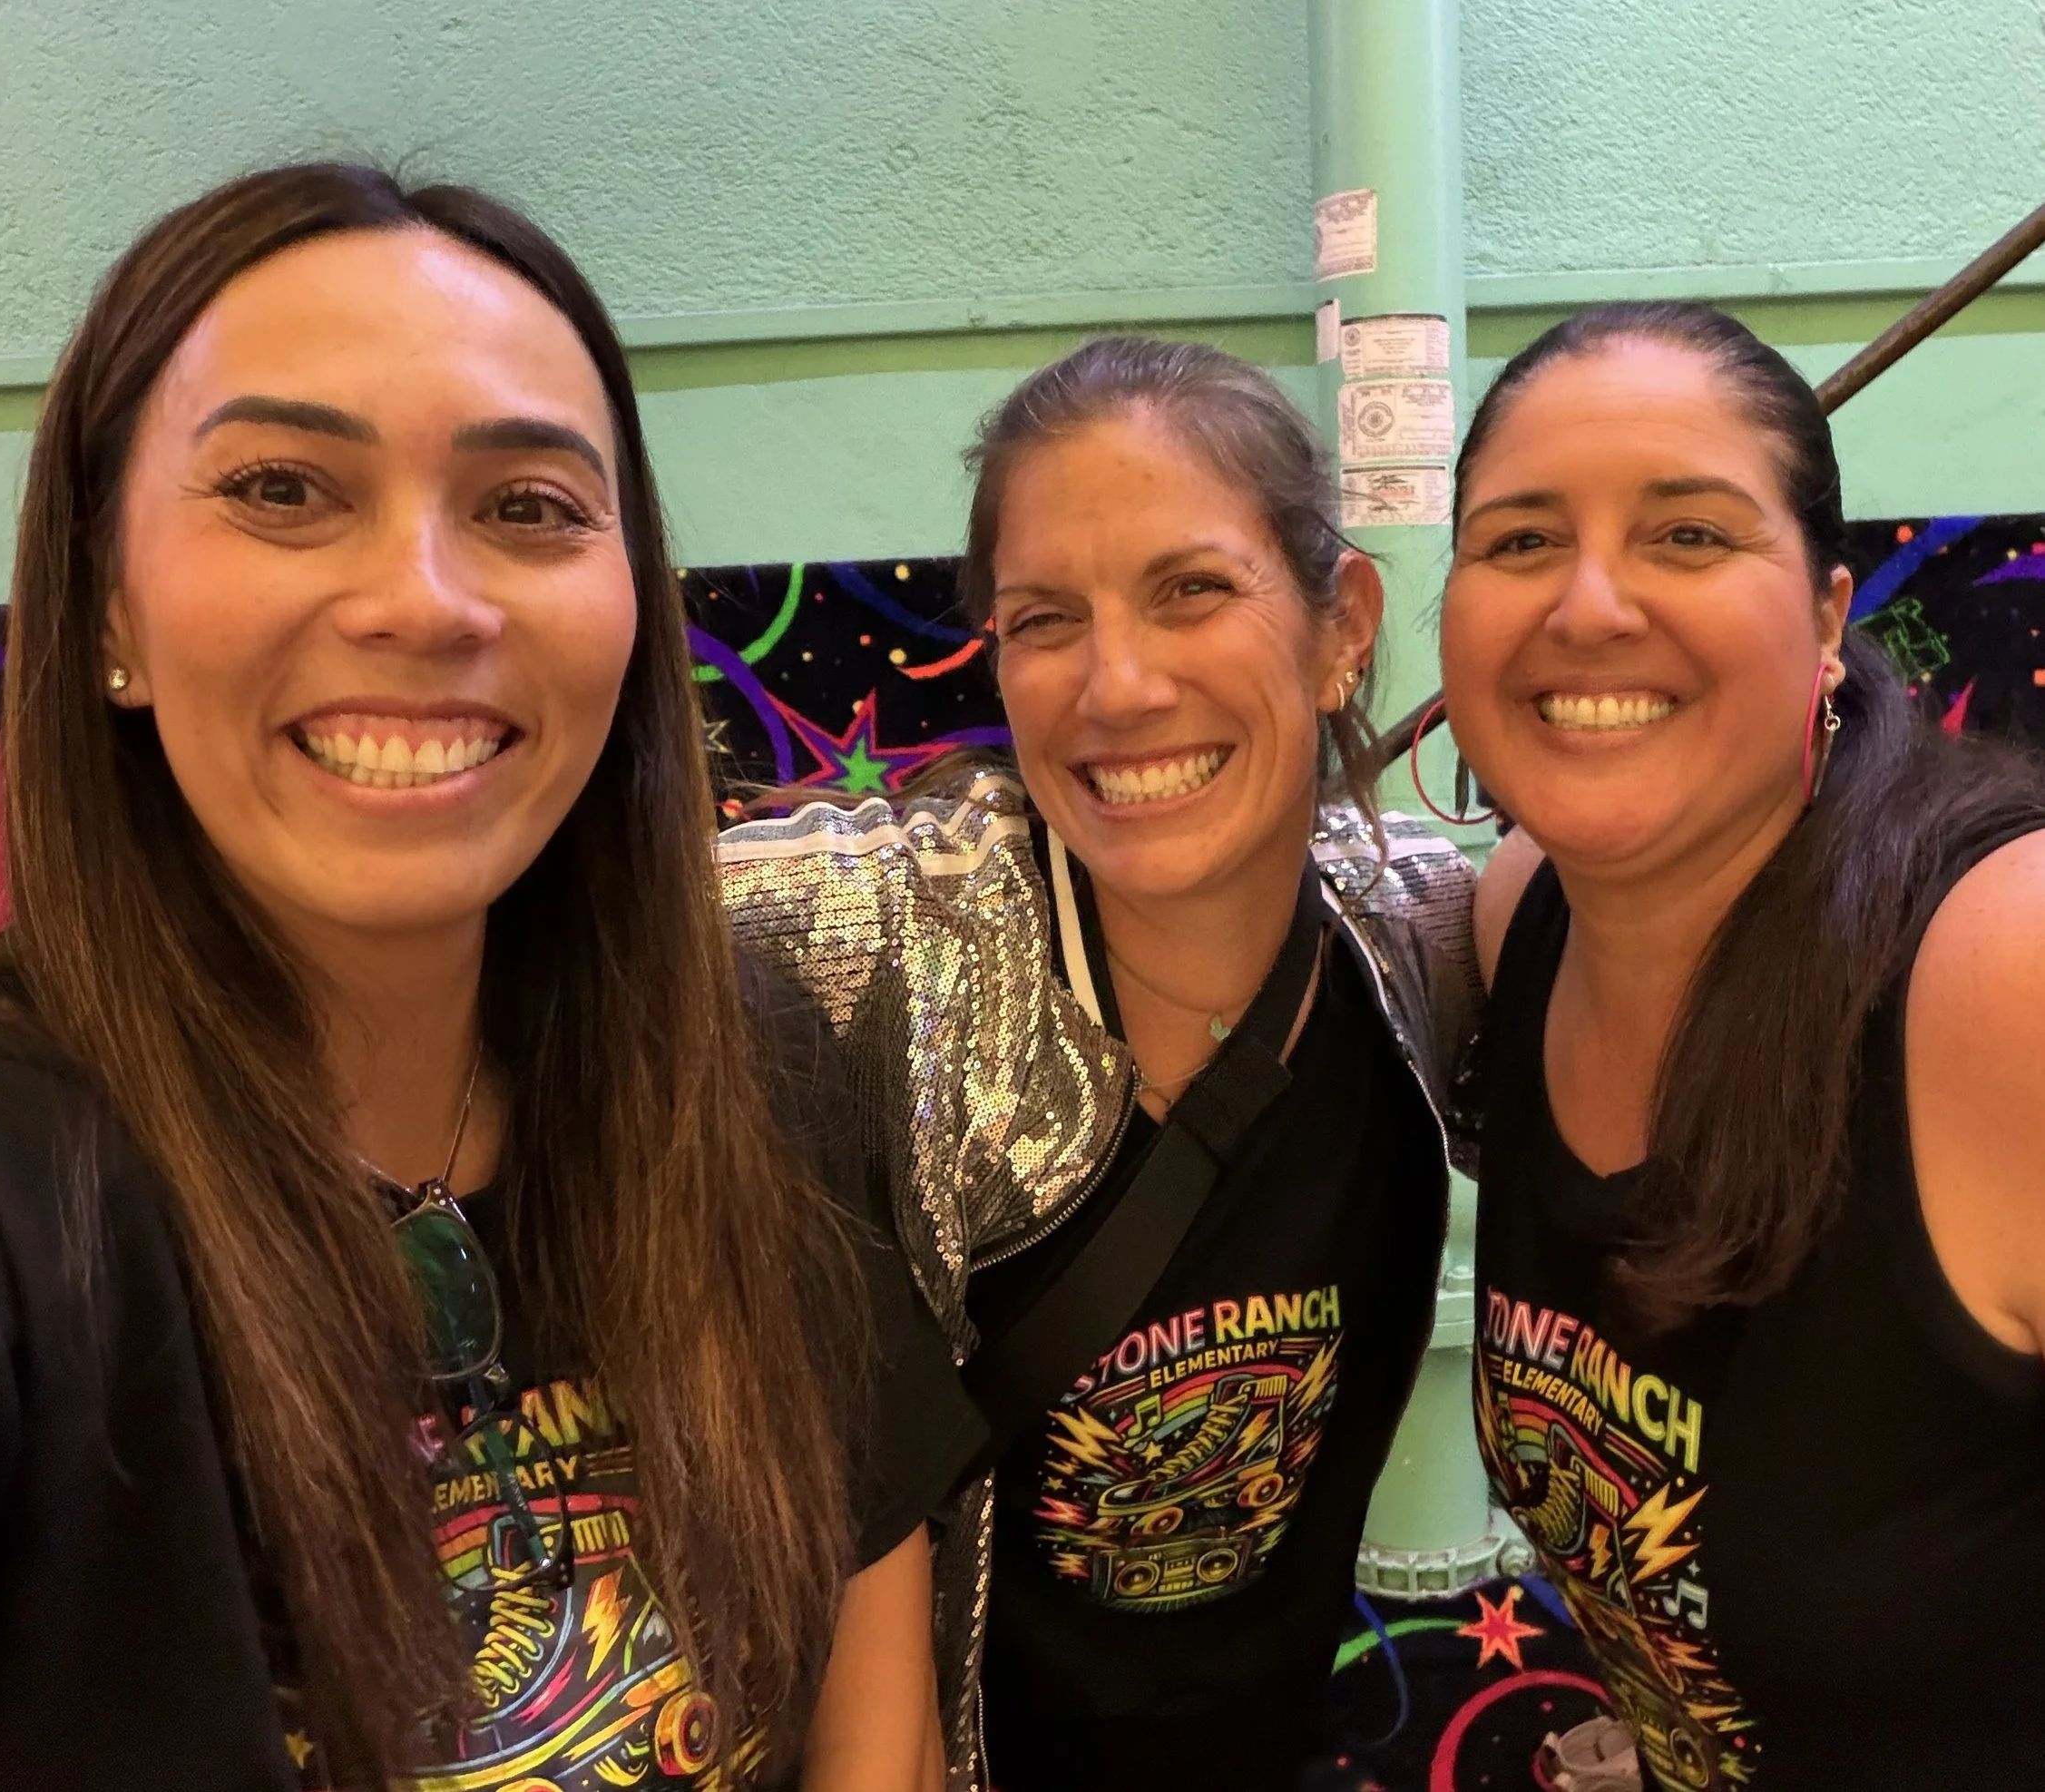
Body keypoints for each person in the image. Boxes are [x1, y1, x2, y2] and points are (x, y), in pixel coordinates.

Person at [0, 164, 980, 1792]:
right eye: (283, 487)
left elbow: (868, 1687)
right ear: (109, 606)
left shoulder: (751, 1064)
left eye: (529, 506)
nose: (425, 599)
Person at [718, 337, 1482, 1791]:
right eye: (1045, 620)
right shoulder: (887, 931)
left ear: (1342, 626)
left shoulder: (1414, 948)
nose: (1117, 687)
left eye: (1191, 589)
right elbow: (576, 908)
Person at [1444, 302, 2045, 1790]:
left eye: (1689, 535)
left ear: (1830, 617)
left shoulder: (2000, 967)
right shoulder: (1520, 918)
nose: (1589, 604)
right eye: (1521, 540)